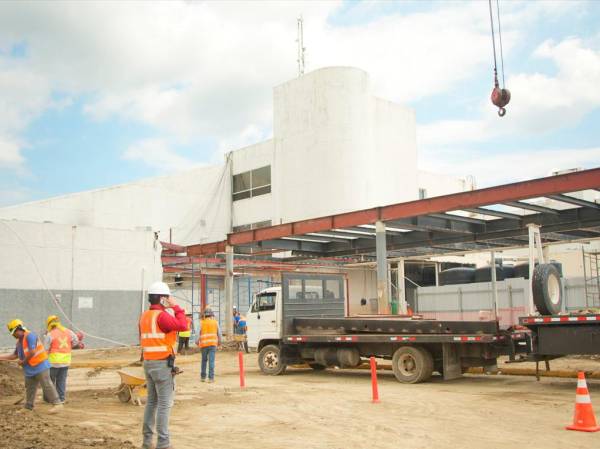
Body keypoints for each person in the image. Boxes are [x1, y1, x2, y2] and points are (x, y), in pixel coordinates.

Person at [140, 281, 188, 449]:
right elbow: (183, 325)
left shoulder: (145, 316)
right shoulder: (162, 316)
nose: (169, 300)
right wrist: (176, 307)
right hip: (161, 365)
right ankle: (163, 444)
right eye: (167, 298)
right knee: (164, 404)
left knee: (152, 402)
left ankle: (147, 442)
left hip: (148, 363)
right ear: (162, 299)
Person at [0, 319, 62, 412]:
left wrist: (23, 361)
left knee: (47, 384)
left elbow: (32, 351)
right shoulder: (19, 342)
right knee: (30, 387)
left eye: (14, 332)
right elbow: (14, 355)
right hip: (30, 369)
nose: (13, 335)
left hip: (40, 365)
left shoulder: (30, 336)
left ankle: (57, 404)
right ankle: (28, 407)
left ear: (19, 329)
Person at [43, 315, 79, 403]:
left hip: (53, 363)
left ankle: (49, 399)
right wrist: (70, 346)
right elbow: (76, 341)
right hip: (65, 361)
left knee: (50, 381)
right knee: (61, 381)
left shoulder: (50, 334)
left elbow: (45, 349)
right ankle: (61, 398)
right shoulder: (68, 331)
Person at [195, 308, 221, 383]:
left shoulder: (201, 322)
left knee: (204, 360)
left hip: (204, 344)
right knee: (211, 361)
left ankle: (203, 377)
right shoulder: (215, 322)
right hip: (213, 344)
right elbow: (219, 333)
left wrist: (197, 341)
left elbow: (197, 333)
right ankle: (211, 378)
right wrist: (219, 342)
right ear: (211, 315)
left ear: (205, 315)